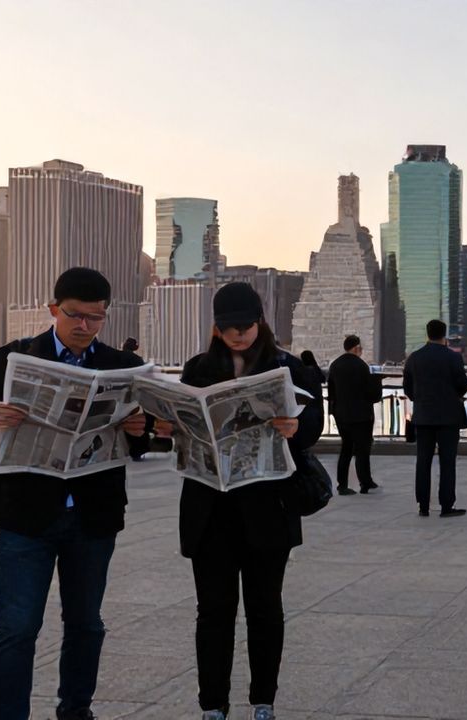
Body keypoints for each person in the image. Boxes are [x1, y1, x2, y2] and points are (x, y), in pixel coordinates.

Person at [0, 267, 151, 720]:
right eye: (74, 316)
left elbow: (142, 443)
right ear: (53, 310)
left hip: (92, 515)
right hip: (27, 515)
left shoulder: (121, 367)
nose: (84, 327)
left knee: (86, 624)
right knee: (17, 628)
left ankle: (75, 710)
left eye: (95, 318)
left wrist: (139, 429)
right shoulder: (15, 358)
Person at [175, 282, 323, 720]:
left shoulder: (288, 368)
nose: (237, 334)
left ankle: (263, 701)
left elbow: (313, 421)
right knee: (213, 613)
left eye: (245, 325)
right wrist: (170, 429)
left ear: (261, 321)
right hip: (210, 509)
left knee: (264, 610)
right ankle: (212, 705)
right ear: (216, 328)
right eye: (227, 327)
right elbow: (183, 426)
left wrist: (296, 428)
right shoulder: (199, 368)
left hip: (268, 507)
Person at [402, 319, 467, 517]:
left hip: (423, 417)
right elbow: (462, 385)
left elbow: (408, 388)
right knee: (448, 463)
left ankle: (423, 505)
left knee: (423, 462)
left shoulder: (414, 358)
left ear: (427, 333)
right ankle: (446, 505)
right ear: (444, 334)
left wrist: (420, 401)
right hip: (448, 417)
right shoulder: (453, 358)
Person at [327, 335, 381, 496]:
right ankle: (365, 482)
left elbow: (331, 392)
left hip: (342, 414)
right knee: (362, 449)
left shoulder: (335, 365)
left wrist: (333, 411)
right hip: (361, 415)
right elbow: (372, 394)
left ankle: (342, 484)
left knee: (346, 448)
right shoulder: (361, 366)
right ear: (357, 348)